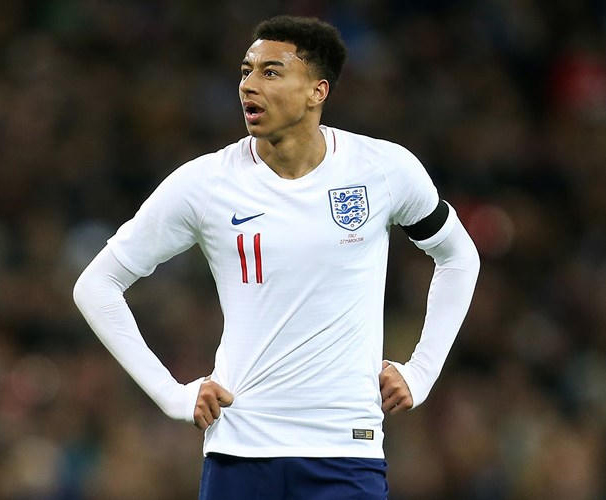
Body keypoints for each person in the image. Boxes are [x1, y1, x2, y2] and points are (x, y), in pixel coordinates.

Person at [73, 15, 480, 499]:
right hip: (239, 452)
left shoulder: (383, 169)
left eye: (270, 72)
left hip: (346, 451)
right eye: (246, 71)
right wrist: (172, 395)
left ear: (316, 91)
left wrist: (422, 371)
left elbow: (459, 257)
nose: (249, 84)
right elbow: (96, 285)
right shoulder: (206, 183)